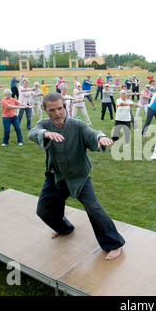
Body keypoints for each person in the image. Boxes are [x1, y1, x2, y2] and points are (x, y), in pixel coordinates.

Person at [28, 92, 125, 260]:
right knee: (43, 210)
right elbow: (33, 132)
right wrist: (44, 134)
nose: (57, 113)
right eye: (52, 110)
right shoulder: (44, 125)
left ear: (64, 107)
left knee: (93, 208)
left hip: (79, 177)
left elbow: (92, 133)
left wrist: (100, 137)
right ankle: (64, 228)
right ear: (45, 110)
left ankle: (114, 243)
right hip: (56, 177)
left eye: (60, 108)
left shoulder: (77, 125)